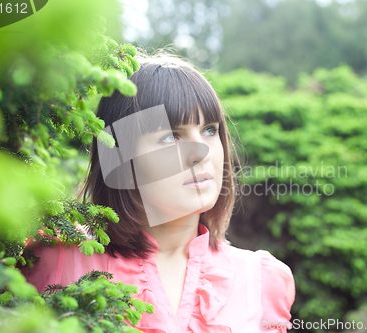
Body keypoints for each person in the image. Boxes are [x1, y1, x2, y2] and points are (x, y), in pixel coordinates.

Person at [21, 51, 296, 333]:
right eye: (171, 137)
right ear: (120, 156)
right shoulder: (55, 260)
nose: (200, 153)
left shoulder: (262, 280)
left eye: (210, 130)